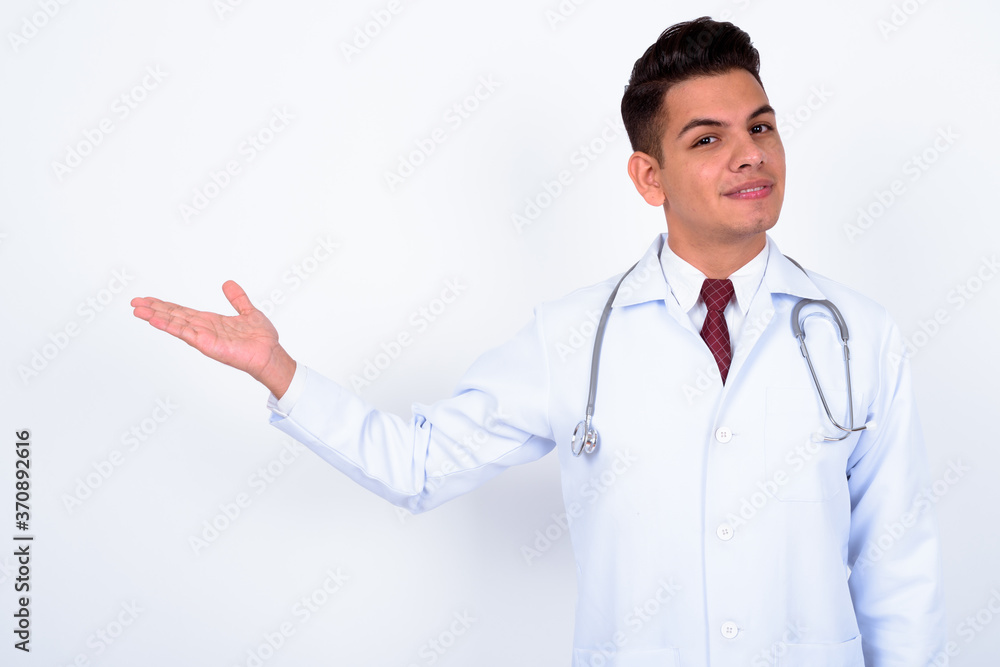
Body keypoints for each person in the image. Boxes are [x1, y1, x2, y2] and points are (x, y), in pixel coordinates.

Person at [131, 17, 946, 666]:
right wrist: (279, 370)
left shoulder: (857, 336)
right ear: (649, 177)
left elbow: (897, 567)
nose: (749, 155)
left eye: (760, 127)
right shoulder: (573, 338)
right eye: (707, 138)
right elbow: (417, 466)